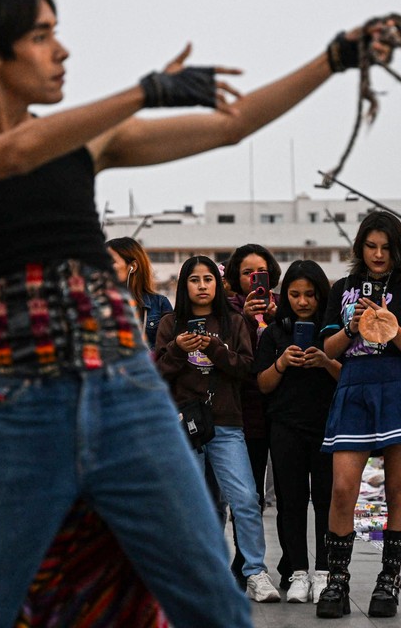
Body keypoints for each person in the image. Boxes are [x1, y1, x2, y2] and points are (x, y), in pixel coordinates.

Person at [0, 0, 401, 623]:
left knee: (215, 604)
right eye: (42, 36)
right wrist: (143, 92)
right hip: (23, 403)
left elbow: (230, 125)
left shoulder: (81, 140)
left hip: (128, 394)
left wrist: (333, 59)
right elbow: (13, 152)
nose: (61, 51)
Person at [318, 210, 401, 619]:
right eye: (371, 246)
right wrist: (352, 328)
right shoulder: (342, 288)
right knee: (341, 488)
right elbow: (328, 350)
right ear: (359, 247)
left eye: (386, 247)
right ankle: (337, 581)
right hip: (354, 386)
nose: (378, 254)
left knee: (397, 489)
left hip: (399, 387)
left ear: (398, 248)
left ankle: (387, 582)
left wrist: (391, 327)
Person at [155, 256, 280, 602]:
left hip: (226, 422)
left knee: (245, 499)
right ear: (184, 286)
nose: (202, 286)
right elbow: (158, 374)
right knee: (189, 503)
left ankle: (255, 571)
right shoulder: (170, 322)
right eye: (194, 280)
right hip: (183, 425)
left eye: (208, 279)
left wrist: (215, 349)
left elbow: (246, 369)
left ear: (217, 284)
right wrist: (178, 350)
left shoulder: (234, 321)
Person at [254, 260, 340, 603]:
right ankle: (298, 573)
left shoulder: (333, 333)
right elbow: (262, 383)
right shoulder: (274, 332)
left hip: (325, 427)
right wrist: (281, 362)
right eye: (295, 295)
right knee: (290, 502)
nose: (303, 302)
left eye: (310, 295)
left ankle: (323, 573)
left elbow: (346, 377)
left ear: (322, 295)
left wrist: (326, 360)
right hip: (284, 426)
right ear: (285, 295)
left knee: (324, 501)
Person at [223, 243, 282, 583]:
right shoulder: (230, 310)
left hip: (281, 408)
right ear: (235, 277)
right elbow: (232, 354)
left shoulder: (283, 306)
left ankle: (292, 564)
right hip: (245, 411)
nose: (253, 278)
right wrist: (246, 317)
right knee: (247, 494)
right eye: (246, 272)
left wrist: (278, 320)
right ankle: (244, 561)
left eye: (259, 272)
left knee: (286, 492)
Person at [106, 236, 172, 349]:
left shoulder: (160, 304)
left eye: (111, 261)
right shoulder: (98, 303)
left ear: (133, 267)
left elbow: (169, 352)